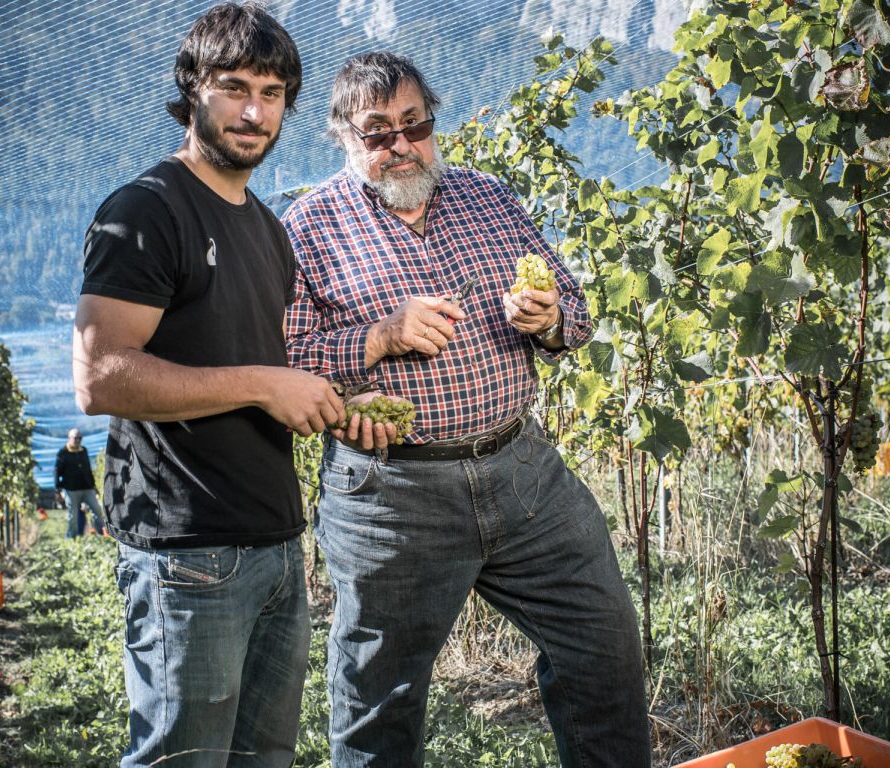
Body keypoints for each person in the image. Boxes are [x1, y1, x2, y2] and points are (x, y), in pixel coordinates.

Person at [284, 52, 650, 768]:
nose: (400, 146)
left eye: (413, 125)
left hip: (523, 471)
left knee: (602, 644)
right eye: (377, 132)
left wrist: (546, 317)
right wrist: (381, 337)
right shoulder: (307, 227)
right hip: (393, 494)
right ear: (343, 138)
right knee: (378, 703)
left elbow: (573, 310)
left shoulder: (488, 197)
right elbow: (287, 360)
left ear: (431, 123)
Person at [71, 4, 346, 767]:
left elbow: (254, 360)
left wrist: (324, 398)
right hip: (186, 550)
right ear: (192, 88)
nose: (253, 111)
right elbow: (99, 377)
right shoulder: (148, 210)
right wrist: (264, 384)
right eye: (232, 87)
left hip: (275, 544)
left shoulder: (267, 226)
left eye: (272, 91)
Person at [53, 428, 105, 537]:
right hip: (71, 489)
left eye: (80, 438)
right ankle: (72, 538)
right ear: (69, 438)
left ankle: (102, 533)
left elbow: (88, 469)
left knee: (97, 510)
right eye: (75, 438)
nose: (78, 440)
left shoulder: (83, 450)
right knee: (73, 516)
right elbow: (57, 472)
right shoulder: (63, 453)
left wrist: (94, 486)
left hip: (87, 487)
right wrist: (58, 489)